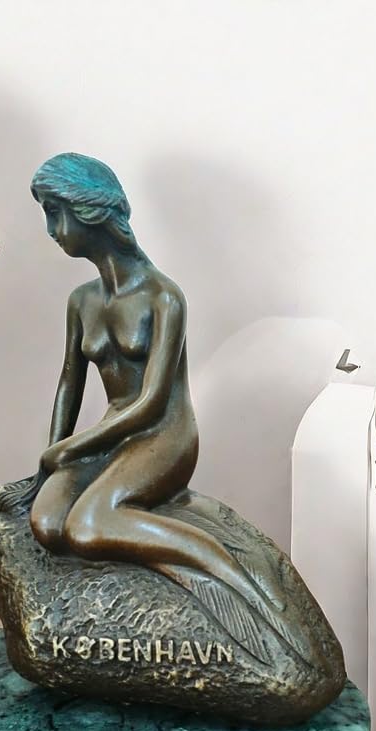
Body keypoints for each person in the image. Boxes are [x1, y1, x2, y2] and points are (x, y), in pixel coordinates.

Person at [21, 152, 277, 611]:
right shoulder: (82, 301)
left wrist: (71, 449)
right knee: (48, 523)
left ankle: (220, 565)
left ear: (89, 211)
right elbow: (69, 385)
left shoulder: (164, 297)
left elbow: (153, 402)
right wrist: (51, 459)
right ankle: (153, 542)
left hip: (163, 434)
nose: (50, 229)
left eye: (54, 212)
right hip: (111, 433)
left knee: (87, 526)